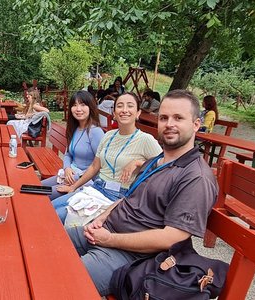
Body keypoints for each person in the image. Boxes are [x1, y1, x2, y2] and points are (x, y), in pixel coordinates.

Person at [67, 89, 218, 296]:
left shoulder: (195, 177)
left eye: (178, 118)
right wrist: (101, 218)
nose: (169, 124)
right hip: (103, 233)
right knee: (43, 243)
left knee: (62, 277)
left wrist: (108, 239)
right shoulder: (157, 161)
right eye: (164, 117)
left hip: (129, 256)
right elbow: (128, 198)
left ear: (196, 124)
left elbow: (172, 239)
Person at [52, 92, 162, 223]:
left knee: (57, 219)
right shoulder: (108, 135)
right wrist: (73, 187)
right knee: (50, 209)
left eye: (130, 106)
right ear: (114, 113)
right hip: (96, 188)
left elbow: (166, 166)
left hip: (117, 197)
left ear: (138, 113)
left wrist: (139, 163)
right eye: (120, 106)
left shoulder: (145, 139)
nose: (125, 110)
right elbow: (94, 166)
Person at [41, 91, 105, 200]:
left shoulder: (95, 132)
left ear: (91, 107)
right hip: (68, 175)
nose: (78, 109)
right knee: (35, 187)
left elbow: (99, 166)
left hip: (84, 181)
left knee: (41, 195)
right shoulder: (74, 129)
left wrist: (76, 179)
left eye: (83, 105)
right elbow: (67, 154)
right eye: (74, 105)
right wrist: (67, 168)